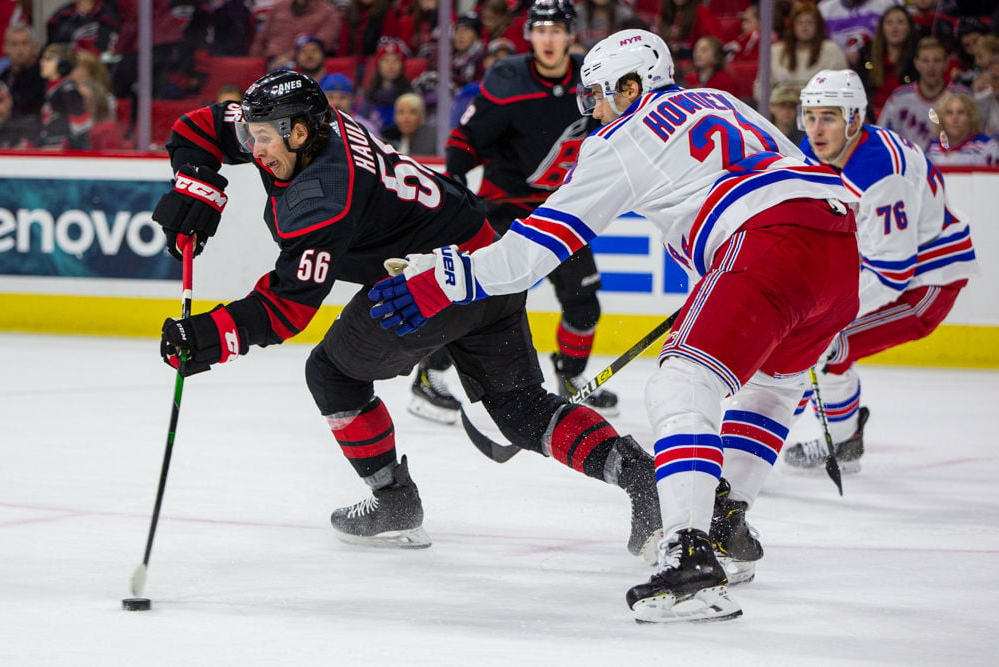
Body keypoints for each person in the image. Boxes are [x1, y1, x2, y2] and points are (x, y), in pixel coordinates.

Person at [369, 29, 862, 623]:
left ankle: (689, 554)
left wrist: (440, 279)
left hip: (765, 246)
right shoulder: (719, 99)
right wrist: (724, 277)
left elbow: (532, 254)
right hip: (835, 250)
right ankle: (724, 524)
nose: (592, 110)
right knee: (770, 390)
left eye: (598, 95)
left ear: (632, 85)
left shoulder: (625, 137)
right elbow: (781, 178)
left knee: (680, 388)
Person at [151, 69, 664, 566]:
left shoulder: (322, 194)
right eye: (249, 134)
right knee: (520, 408)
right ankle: (640, 475)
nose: (253, 148)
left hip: (427, 285)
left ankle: (393, 500)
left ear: (299, 132)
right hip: (487, 264)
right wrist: (196, 184)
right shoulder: (305, 122)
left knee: (331, 374)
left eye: (262, 138)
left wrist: (205, 337)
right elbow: (198, 126)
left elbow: (288, 308)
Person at [783, 69, 979, 472]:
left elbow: (892, 274)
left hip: (927, 282)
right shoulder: (819, 148)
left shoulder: (880, 175)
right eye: (811, 116)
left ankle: (775, 445)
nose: (816, 129)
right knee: (822, 348)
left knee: (823, 346)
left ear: (855, 118)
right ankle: (842, 443)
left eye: (829, 117)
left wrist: (820, 316)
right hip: (886, 265)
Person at [440, 0, 619, 424]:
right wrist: (456, 196)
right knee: (484, 298)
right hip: (505, 210)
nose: (549, 39)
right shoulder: (508, 79)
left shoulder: (591, 80)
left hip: (560, 212)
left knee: (584, 303)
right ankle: (430, 375)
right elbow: (464, 141)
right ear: (530, 36)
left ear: (571, 35)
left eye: (556, 30)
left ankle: (571, 380)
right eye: (540, 31)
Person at [878, 36, 971, 151]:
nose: (931, 66)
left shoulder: (962, 96)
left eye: (936, 60)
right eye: (925, 61)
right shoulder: (899, 97)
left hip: (952, 163)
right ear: (916, 63)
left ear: (946, 63)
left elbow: (975, 134)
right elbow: (882, 136)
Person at [757, 1, 847, 101]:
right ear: (792, 25)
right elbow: (761, 87)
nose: (804, 27)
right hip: (781, 109)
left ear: (818, 25)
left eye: (810, 22)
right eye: (800, 22)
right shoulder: (775, 51)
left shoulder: (832, 50)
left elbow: (843, 87)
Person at [854, 4, 917, 119]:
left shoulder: (916, 58)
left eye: (900, 22)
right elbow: (859, 91)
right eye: (889, 23)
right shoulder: (867, 55)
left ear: (909, 27)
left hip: (905, 117)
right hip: (871, 118)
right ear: (882, 28)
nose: (895, 27)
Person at [249, 0, 340, 71]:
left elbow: (323, 43)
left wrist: (288, 57)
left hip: (306, 64)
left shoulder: (328, 12)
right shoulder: (279, 7)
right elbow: (261, 38)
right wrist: (255, 63)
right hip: (270, 61)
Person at [34, 43, 90, 149]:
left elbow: (81, 128)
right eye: (42, 58)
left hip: (63, 156)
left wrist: (65, 147)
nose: (42, 62)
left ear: (63, 64)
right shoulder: (53, 90)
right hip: (49, 148)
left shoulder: (68, 90)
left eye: (48, 59)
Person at [925, 92, 999, 167]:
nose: (954, 118)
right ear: (941, 119)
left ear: (970, 117)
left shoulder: (987, 147)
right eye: (949, 113)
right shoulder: (932, 148)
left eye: (960, 112)